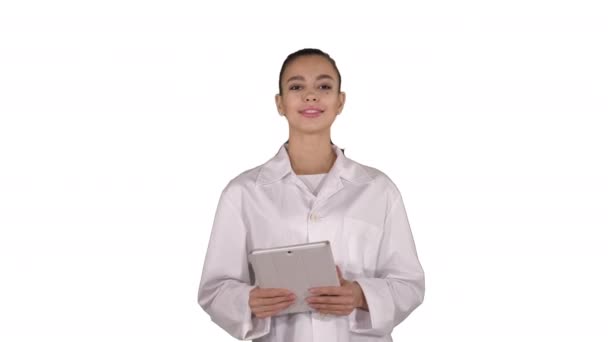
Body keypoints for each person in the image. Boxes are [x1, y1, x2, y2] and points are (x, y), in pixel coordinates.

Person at [197, 48, 424, 342]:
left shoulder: (378, 189)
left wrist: (360, 295)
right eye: (296, 86)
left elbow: (409, 284)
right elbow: (214, 289)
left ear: (340, 101)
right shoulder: (243, 193)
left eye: (324, 86)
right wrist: (247, 301)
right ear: (280, 103)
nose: (311, 96)